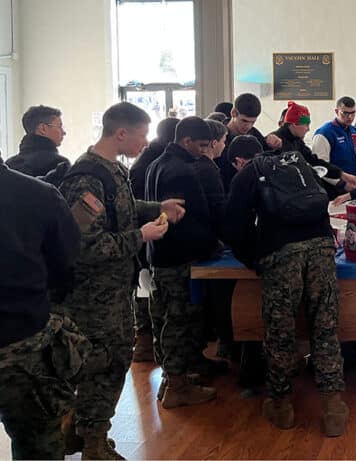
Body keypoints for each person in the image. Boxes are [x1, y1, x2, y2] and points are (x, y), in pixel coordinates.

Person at [55, 102, 184, 459]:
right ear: (121, 133)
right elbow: (85, 245)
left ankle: (82, 431)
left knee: (109, 363)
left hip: (114, 289)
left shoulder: (112, 171)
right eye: (142, 134)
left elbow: (120, 210)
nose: (146, 142)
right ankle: (94, 443)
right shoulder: (86, 178)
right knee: (106, 366)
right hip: (94, 296)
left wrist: (158, 206)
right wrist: (140, 236)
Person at [224, 147, 349, 438]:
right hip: (321, 247)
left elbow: (232, 223)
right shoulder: (299, 163)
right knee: (325, 327)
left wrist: (253, 258)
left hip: (281, 253)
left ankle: (282, 407)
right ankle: (332, 408)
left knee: (280, 333)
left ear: (242, 159)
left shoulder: (248, 173)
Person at [0, 154, 88, 460]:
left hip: (22, 335)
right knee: (37, 443)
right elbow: (66, 261)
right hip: (22, 343)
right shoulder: (38, 194)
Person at [146, 116, 227, 410]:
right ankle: (177, 385)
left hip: (161, 255)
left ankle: (172, 379)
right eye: (202, 145)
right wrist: (213, 245)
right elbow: (195, 219)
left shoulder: (158, 164)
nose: (206, 151)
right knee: (179, 323)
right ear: (187, 141)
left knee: (168, 320)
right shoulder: (184, 171)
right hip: (180, 256)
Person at [129, 116, 181, 362]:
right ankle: (146, 346)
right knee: (149, 295)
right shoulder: (156, 164)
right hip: (147, 235)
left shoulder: (145, 160)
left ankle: (145, 346)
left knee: (146, 291)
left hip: (145, 237)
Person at [274, 101, 356, 197]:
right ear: (295, 124)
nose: (308, 129)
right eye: (306, 125)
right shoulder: (275, 142)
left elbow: (314, 161)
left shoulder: (296, 140)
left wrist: (341, 174)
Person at [216, 93, 283, 192]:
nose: (248, 126)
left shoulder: (254, 134)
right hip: (227, 191)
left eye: (253, 122)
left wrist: (276, 146)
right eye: (244, 121)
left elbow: (270, 160)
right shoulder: (218, 137)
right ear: (233, 113)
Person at [6, 105, 71, 180]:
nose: (64, 132)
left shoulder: (9, 164)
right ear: (43, 128)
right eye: (59, 126)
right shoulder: (60, 165)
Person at [312, 96, 356, 177]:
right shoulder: (324, 133)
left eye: (353, 113)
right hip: (334, 185)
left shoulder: (355, 131)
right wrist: (340, 183)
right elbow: (320, 167)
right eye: (345, 113)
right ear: (337, 112)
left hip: (354, 182)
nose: (350, 117)